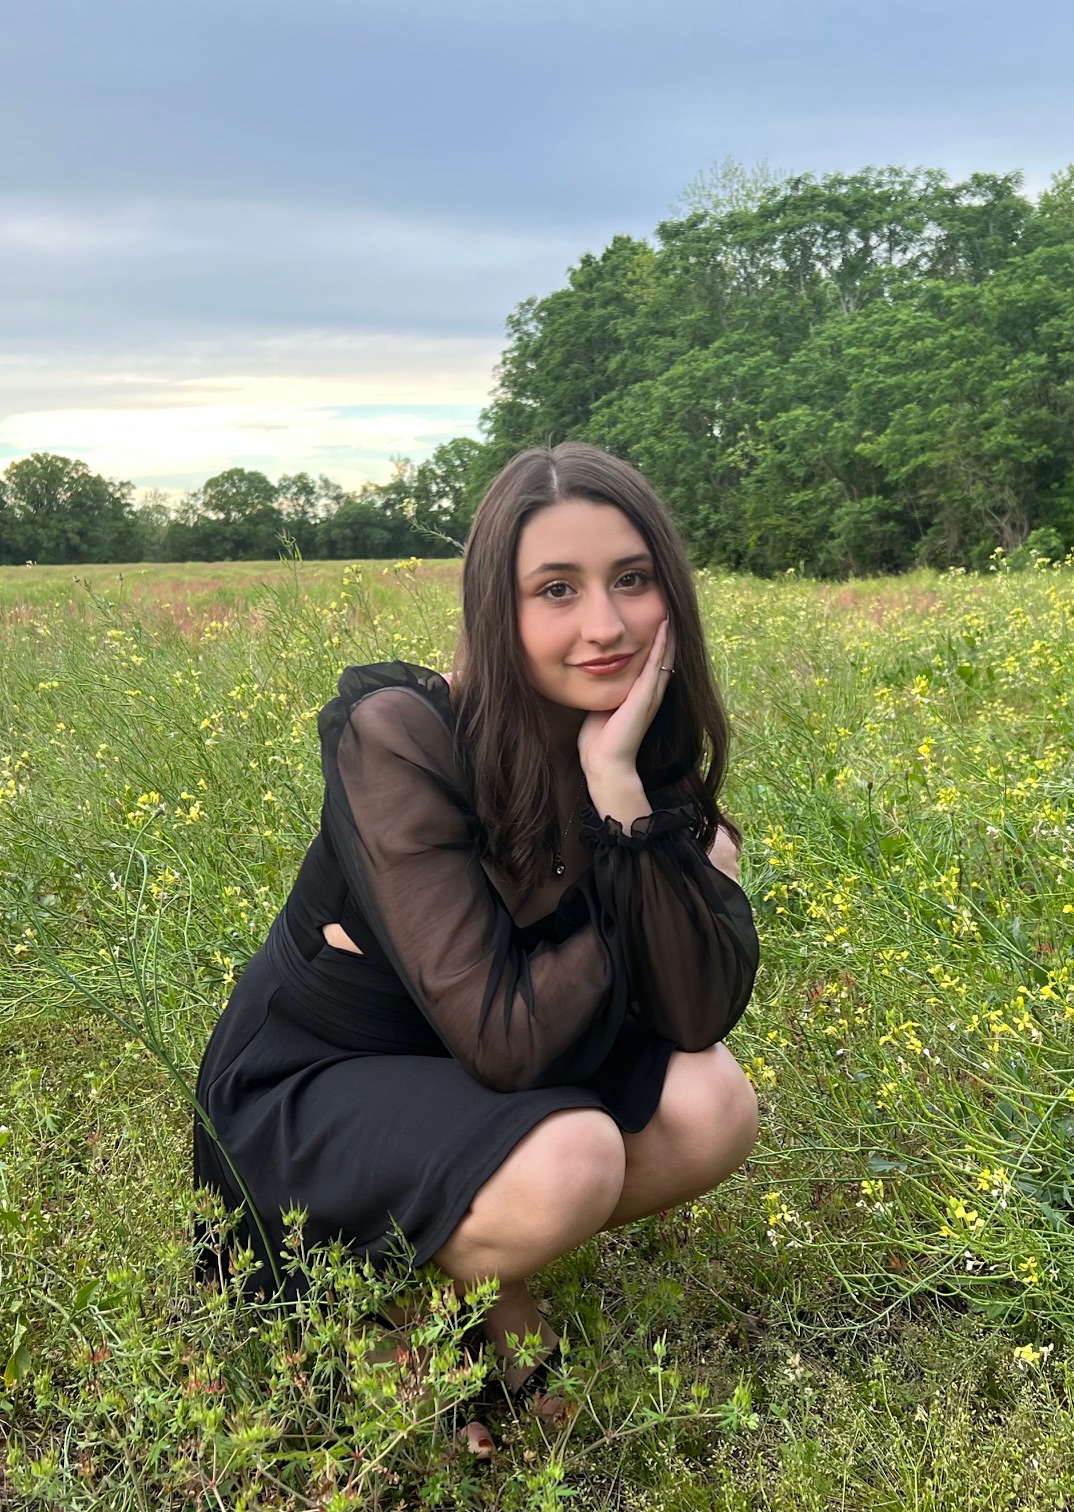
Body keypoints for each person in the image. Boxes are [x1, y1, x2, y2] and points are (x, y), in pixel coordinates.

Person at [193, 442, 760, 1457]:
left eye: (632, 579)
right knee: (572, 1157)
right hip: (315, 1093)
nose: (606, 623)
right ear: (500, 612)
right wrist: (645, 870)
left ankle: (461, 1275)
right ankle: (409, 1306)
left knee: (712, 1100)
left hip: (463, 1083)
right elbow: (504, 1038)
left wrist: (626, 805)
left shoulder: (631, 755)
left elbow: (693, 1013)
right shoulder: (403, 736)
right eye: (558, 589)